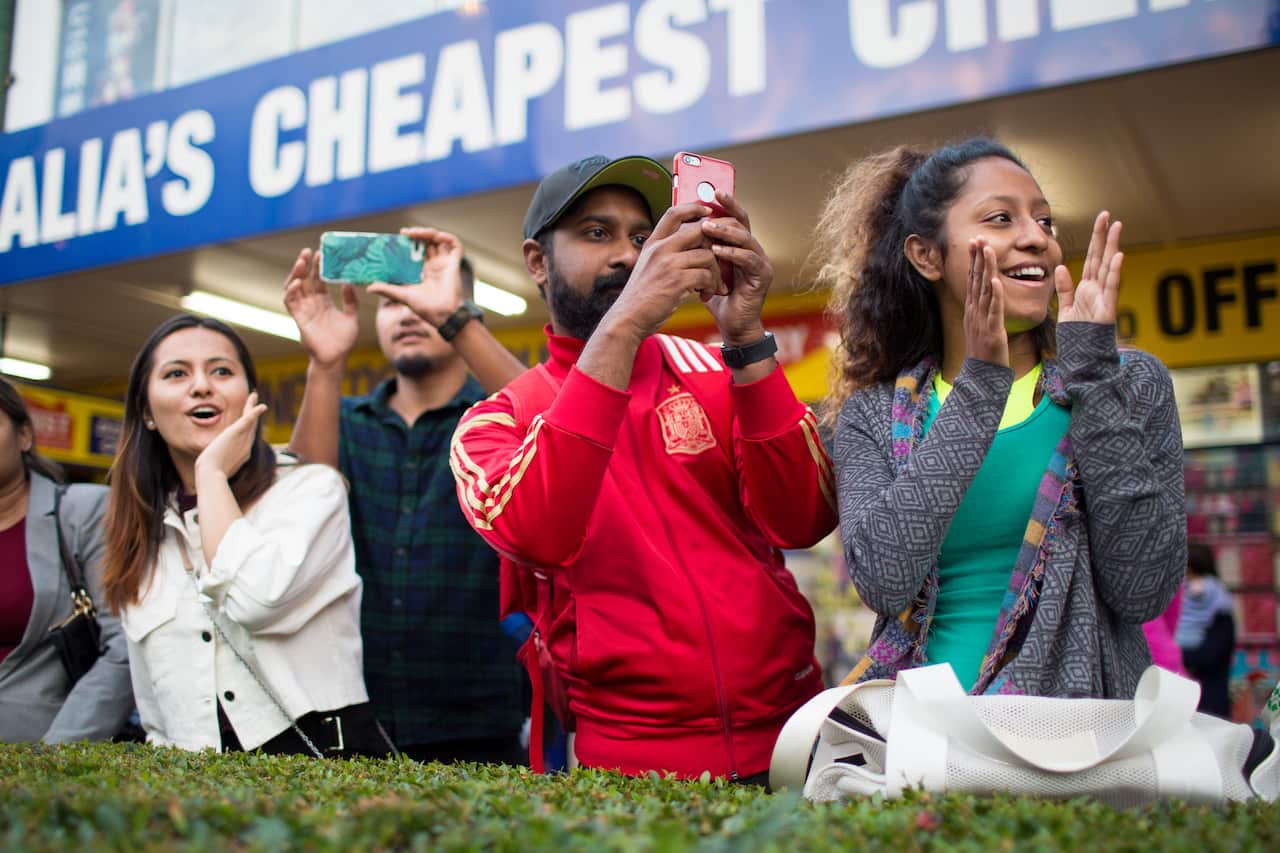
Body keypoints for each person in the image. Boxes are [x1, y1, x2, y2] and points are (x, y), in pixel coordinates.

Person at [441, 154, 837, 782]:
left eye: (639, 236)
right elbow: (537, 533)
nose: (627, 255)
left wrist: (748, 337)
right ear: (537, 262)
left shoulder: (721, 368)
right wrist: (624, 325)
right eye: (597, 234)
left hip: (794, 735)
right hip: (632, 764)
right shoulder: (495, 422)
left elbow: (804, 519)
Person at [819, 139, 1186, 698]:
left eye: (1044, 220)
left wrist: (1092, 376)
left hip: (1079, 748)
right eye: (1001, 218)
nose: (1037, 237)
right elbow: (885, 582)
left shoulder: (1127, 383)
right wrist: (980, 388)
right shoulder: (873, 413)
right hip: (931, 754)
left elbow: (1143, 589)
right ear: (927, 256)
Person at [283, 230, 528, 764]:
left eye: (421, 295)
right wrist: (325, 365)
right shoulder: (341, 421)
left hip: (480, 722)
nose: (406, 312)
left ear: (462, 308)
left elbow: (556, 427)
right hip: (351, 712)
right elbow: (298, 510)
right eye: (390, 300)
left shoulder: (499, 417)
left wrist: (458, 323)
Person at [100, 314, 391, 756]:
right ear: (146, 411)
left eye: (222, 371)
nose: (201, 386)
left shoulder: (310, 490)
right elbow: (155, 707)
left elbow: (255, 601)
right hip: (194, 780)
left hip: (320, 767)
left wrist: (211, 475)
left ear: (249, 398)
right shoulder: (141, 525)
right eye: (177, 373)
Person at [0, 378, 133, 743]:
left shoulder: (83, 513)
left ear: (24, 435)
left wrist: (56, 759)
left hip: (40, 751)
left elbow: (123, 648)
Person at [1176, 542, 1236, 718]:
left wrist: (1174, 656)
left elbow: (1209, 656)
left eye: (1191, 574)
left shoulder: (1221, 614)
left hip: (1210, 707)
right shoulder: (1174, 610)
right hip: (1180, 706)